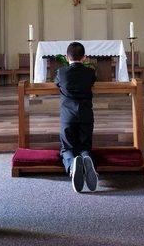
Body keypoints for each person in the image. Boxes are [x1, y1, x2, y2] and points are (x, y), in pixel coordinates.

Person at [55, 42, 98, 193]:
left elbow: (58, 84)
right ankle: (87, 159)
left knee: (67, 147)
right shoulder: (90, 73)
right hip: (86, 115)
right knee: (85, 146)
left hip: (68, 116)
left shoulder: (61, 72)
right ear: (85, 58)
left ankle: (73, 166)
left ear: (67, 57)